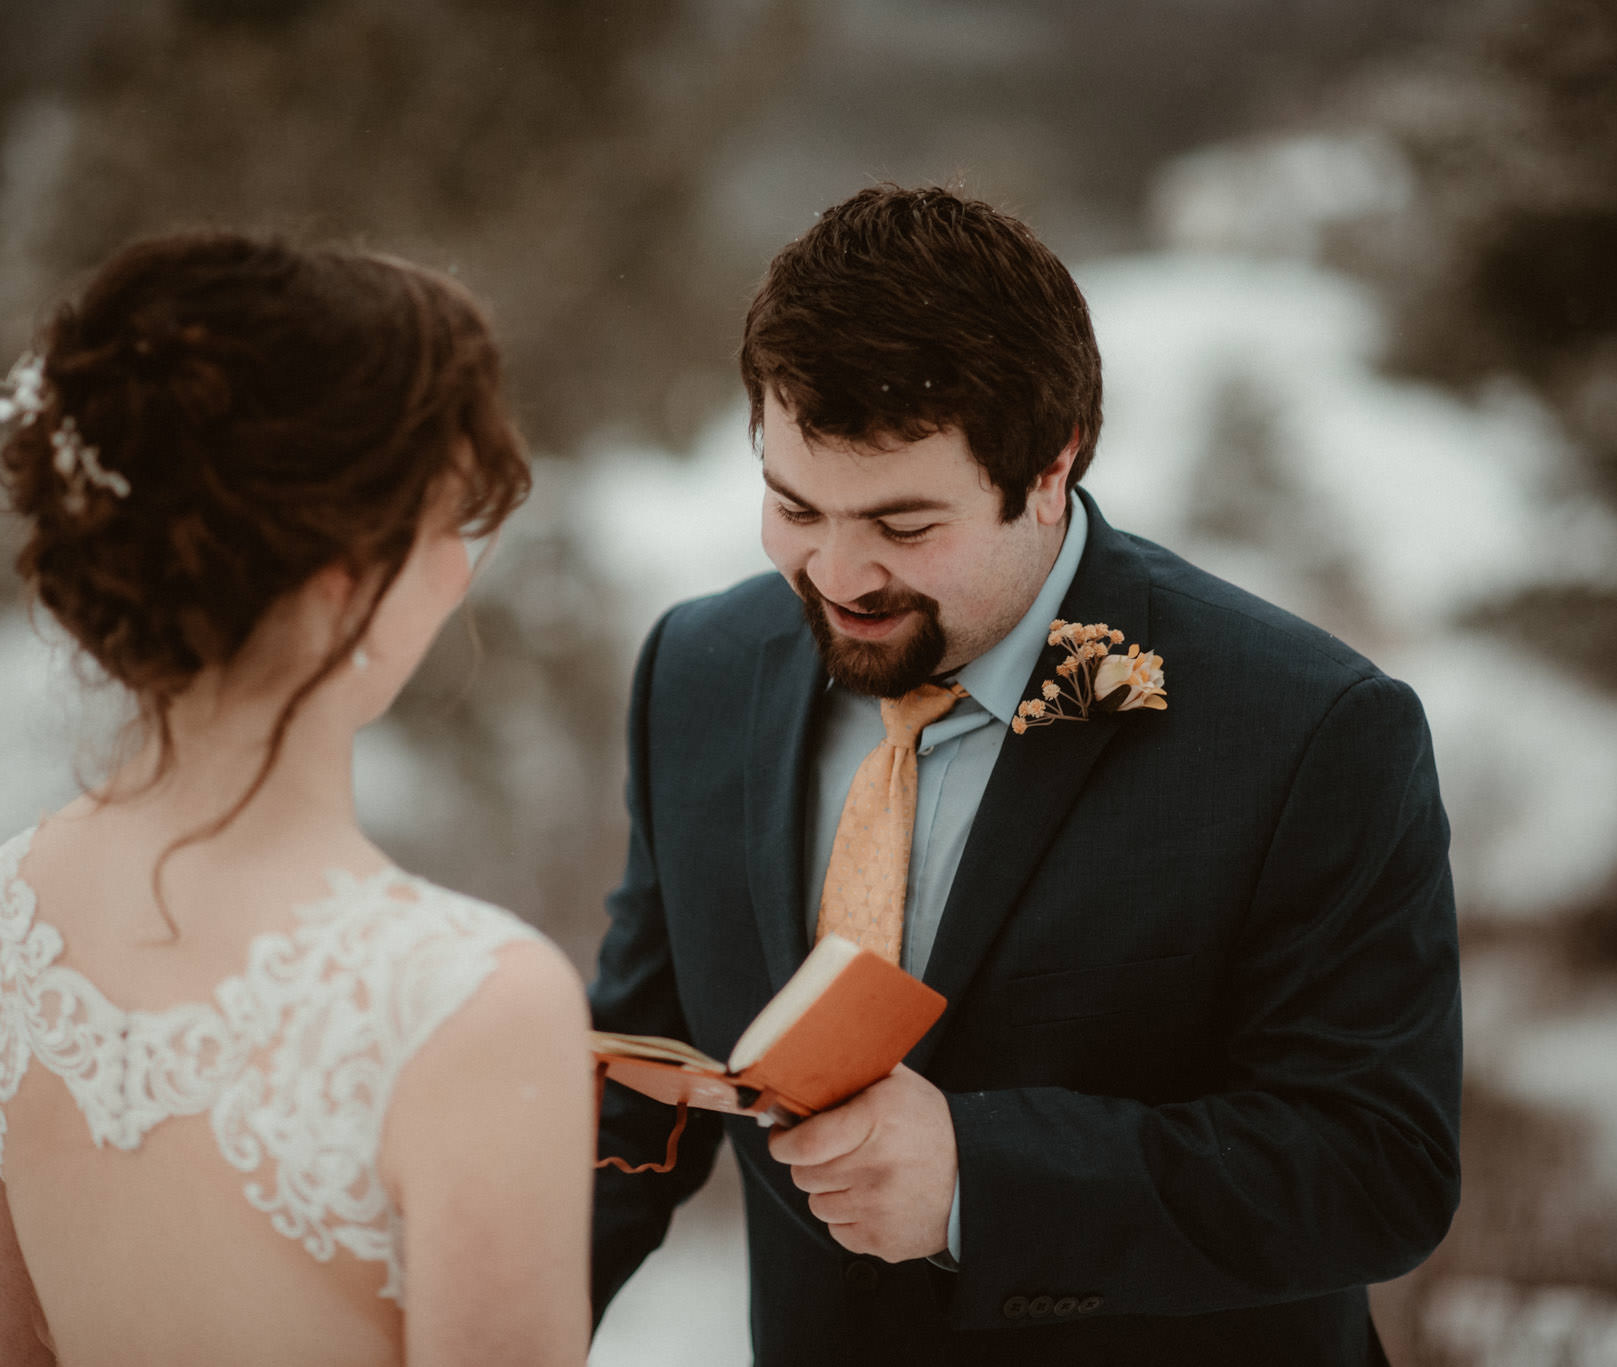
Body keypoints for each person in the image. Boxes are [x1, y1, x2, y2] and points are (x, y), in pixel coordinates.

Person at [587, 185, 1462, 1366]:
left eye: (902, 526)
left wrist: (979, 1178)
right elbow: (644, 1071)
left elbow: (1375, 1167)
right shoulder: (695, 670)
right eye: (794, 505)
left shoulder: (1310, 730)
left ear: (1049, 471)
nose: (836, 573)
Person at [0, 233, 593, 1367]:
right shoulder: (469, 1000)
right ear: (341, 585)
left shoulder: (5, 916)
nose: (459, 572)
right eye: (441, 528)